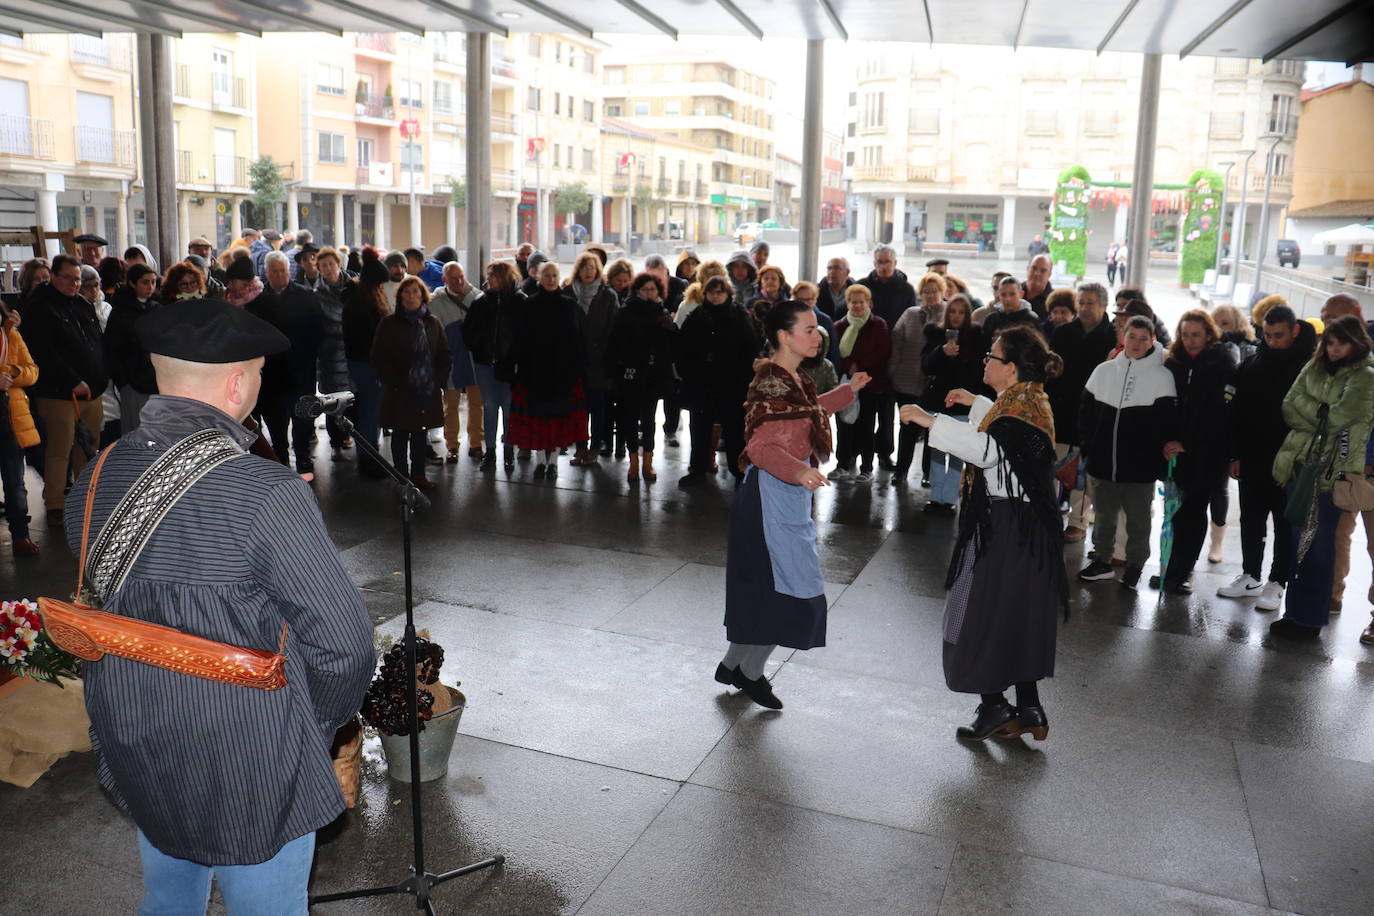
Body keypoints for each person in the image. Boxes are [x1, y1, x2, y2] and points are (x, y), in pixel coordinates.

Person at [63, 298, 373, 914]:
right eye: (258, 373)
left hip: (135, 730)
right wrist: (313, 726)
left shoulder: (97, 475)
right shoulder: (266, 491)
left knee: (169, 896)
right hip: (248, 755)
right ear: (237, 384)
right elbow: (345, 646)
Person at [899, 326, 1067, 742]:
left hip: (1007, 527)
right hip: (1027, 528)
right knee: (1016, 614)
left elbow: (989, 451)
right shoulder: (1027, 400)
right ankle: (1029, 708)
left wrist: (928, 419)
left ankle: (993, 705)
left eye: (992, 357)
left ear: (1010, 368)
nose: (985, 361)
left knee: (978, 614)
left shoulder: (1019, 410)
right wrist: (977, 403)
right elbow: (1000, 429)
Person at [719, 300, 869, 709]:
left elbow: (811, 410)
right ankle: (748, 672)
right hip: (772, 494)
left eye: (816, 328)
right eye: (807, 329)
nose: (816, 335)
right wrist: (799, 471)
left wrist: (847, 391)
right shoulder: (770, 384)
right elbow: (761, 446)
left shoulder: (792, 378)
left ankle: (734, 664)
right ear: (784, 336)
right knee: (789, 589)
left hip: (779, 495)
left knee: (768, 587)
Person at [1270, 315, 1374, 640]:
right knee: (1298, 543)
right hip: (1298, 466)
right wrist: (1322, 411)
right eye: (1329, 342)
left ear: (1356, 343)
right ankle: (1295, 614)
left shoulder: (1366, 376)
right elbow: (1288, 406)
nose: (1333, 349)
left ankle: (1311, 619)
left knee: (1316, 545)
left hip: (1330, 473)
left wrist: (1314, 411)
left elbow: (1339, 418)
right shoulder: (1314, 366)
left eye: (1341, 342)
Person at [1220, 305, 1316, 610]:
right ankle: (1251, 575)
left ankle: (1278, 582)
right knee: (1251, 519)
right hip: (1252, 458)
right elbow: (1235, 413)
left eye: (1279, 335)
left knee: (1285, 523)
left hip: (1291, 462)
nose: (1273, 341)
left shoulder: (1309, 368)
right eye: (1267, 335)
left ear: (1294, 331)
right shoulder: (1252, 363)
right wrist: (1234, 453)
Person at [1076, 316, 1178, 590]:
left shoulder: (1162, 376)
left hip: (1139, 468)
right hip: (1102, 462)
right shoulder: (1104, 370)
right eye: (1132, 337)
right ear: (1123, 337)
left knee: (1139, 519)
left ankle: (1135, 564)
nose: (1136, 343)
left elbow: (1166, 423)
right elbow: (1085, 413)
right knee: (1104, 516)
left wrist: (1155, 456)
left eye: (1144, 338)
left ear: (1153, 341)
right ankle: (1102, 560)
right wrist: (1088, 446)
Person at [17, 254, 108, 521]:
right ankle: (55, 503)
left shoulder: (81, 304)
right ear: (54, 277)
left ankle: (85, 498)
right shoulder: (40, 307)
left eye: (78, 278)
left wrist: (100, 378)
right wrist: (72, 381)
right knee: (60, 449)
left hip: (92, 390)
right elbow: (44, 352)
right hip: (59, 393)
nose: (74, 283)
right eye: (68, 278)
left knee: (89, 448)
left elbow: (96, 343)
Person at [1159, 310, 1238, 594]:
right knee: (1177, 513)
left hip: (1208, 454)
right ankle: (1172, 568)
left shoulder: (1222, 363)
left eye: (1196, 335)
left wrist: (1188, 444)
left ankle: (1183, 571)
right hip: (1177, 453)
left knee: (1193, 512)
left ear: (1208, 335)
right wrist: (1169, 440)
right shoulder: (1174, 363)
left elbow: (1219, 414)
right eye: (1185, 335)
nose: (1190, 340)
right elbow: (1167, 408)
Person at [1046, 282, 1116, 542]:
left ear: (1103, 306)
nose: (1085, 308)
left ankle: (1077, 522)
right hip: (1060, 409)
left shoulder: (1112, 336)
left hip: (1095, 413)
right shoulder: (1063, 332)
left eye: (1091, 303)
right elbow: (1049, 368)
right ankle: (1047, 516)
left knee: (1082, 474)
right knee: (1053, 465)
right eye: (1082, 303)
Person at [677, 275, 759, 488]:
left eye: (720, 292)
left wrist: (742, 380)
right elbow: (683, 349)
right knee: (699, 429)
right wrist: (690, 375)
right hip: (702, 384)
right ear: (705, 294)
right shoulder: (696, 316)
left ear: (728, 294)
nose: (715, 296)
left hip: (732, 385)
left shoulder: (739, 316)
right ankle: (697, 469)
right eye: (712, 292)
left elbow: (750, 350)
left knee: (734, 430)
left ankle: (738, 469)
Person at [508, 261, 587, 479]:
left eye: (554, 275)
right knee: (539, 420)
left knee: (557, 420)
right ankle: (541, 461)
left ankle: (552, 463)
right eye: (547, 276)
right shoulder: (529, 305)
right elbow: (521, 341)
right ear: (538, 278)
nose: (551, 280)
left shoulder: (571, 305)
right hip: (535, 373)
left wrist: (577, 370)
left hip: (564, 374)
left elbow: (579, 341)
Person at [372, 276, 451, 490]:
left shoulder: (432, 323)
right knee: (399, 434)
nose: (411, 296)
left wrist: (437, 382)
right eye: (406, 292)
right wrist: (393, 381)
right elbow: (379, 357)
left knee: (419, 434)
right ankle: (401, 477)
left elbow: (444, 356)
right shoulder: (389, 323)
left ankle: (418, 476)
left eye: (415, 292)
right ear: (400, 297)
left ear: (423, 295)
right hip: (399, 389)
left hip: (425, 390)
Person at [253, 251, 324, 479]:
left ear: (289, 271)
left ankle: (303, 456)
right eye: (274, 271)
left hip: (301, 369)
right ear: (267, 273)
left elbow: (317, 330)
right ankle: (280, 457)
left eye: (282, 270)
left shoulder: (305, 296)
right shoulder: (258, 300)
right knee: (276, 419)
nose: (279, 275)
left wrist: (310, 357)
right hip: (272, 374)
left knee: (303, 417)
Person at [918, 293, 989, 510]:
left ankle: (949, 499)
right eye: (953, 311)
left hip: (962, 403)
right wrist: (942, 351)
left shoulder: (976, 336)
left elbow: (980, 372)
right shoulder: (935, 334)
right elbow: (926, 366)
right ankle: (936, 496)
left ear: (967, 315)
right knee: (937, 450)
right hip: (939, 401)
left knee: (959, 451)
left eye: (961, 312)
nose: (957, 316)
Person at [607, 272, 676, 482]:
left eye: (653, 289)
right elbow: (615, 344)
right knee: (630, 418)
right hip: (631, 374)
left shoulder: (661, 312)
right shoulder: (626, 311)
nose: (649, 293)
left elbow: (669, 347)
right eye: (645, 289)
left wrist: (672, 329)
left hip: (653, 375)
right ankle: (633, 462)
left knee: (649, 418)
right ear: (637, 290)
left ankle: (648, 461)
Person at [860, 244, 916, 470]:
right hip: (866, 356)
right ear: (874, 264)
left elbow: (911, 321)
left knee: (886, 411)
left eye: (887, 262)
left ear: (895, 263)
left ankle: (884, 452)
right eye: (879, 262)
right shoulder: (863, 286)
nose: (883, 266)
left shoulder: (905, 289)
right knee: (863, 412)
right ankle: (859, 455)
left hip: (894, 357)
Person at [888, 273, 945, 487]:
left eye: (934, 291)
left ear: (942, 292)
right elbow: (896, 342)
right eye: (926, 291)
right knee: (907, 428)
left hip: (935, 384)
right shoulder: (910, 313)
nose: (930, 295)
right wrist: (893, 371)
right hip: (907, 379)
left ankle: (928, 472)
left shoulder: (948, 313)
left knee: (933, 430)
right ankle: (901, 470)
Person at [829, 284, 891, 482]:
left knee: (866, 427)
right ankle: (842, 465)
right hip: (846, 384)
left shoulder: (878, 324)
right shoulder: (839, 326)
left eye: (861, 302)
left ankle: (866, 468)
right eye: (853, 302)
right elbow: (835, 354)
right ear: (847, 303)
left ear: (869, 303)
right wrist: (850, 366)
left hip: (869, 385)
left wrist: (860, 365)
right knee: (844, 426)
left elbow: (882, 352)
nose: (857, 305)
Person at [341, 249, 391, 477]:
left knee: (368, 413)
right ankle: (368, 460)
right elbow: (371, 337)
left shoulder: (355, 299)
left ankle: (370, 456)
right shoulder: (362, 304)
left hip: (362, 363)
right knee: (370, 414)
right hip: (367, 364)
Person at [428, 262, 483, 463]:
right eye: (453, 278)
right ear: (445, 280)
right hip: (451, 359)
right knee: (451, 405)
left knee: (477, 404)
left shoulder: (477, 297)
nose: (459, 281)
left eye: (461, 277)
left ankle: (476, 443)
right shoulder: (436, 301)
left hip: (474, 359)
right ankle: (452, 445)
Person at [567, 253, 619, 465]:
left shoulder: (608, 295)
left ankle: (595, 448)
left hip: (600, 364)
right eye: (584, 268)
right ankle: (580, 447)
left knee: (598, 409)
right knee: (578, 410)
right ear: (577, 271)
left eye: (592, 268)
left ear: (598, 271)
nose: (588, 271)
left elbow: (614, 332)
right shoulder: (568, 294)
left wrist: (603, 357)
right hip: (575, 363)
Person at [0, 300, 39, 556]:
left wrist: (10, 372)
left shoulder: (10, 334)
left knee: (15, 479)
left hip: (10, 414)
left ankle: (20, 535)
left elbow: (32, 371)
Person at [104, 263, 162, 429]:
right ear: (132, 283)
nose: (150, 287)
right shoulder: (121, 311)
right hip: (133, 382)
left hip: (155, 379)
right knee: (136, 427)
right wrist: (124, 381)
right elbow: (112, 348)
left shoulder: (156, 308)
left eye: (153, 282)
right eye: (145, 282)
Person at [314, 247, 355, 462]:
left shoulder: (355, 288)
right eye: (324, 266)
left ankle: (355, 439)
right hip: (330, 356)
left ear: (339, 264)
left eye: (331, 264)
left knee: (355, 400)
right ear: (319, 269)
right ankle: (336, 443)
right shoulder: (317, 294)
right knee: (332, 403)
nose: (328, 268)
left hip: (354, 352)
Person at [675, 259, 728, 329]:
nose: (714, 285)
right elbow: (678, 332)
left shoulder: (733, 307)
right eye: (709, 279)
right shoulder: (688, 306)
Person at [1021, 253, 1054, 319]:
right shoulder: (1012, 293)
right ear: (1027, 269)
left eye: (1043, 271)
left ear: (1049, 274)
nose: (1037, 273)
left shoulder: (1054, 301)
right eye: (1034, 268)